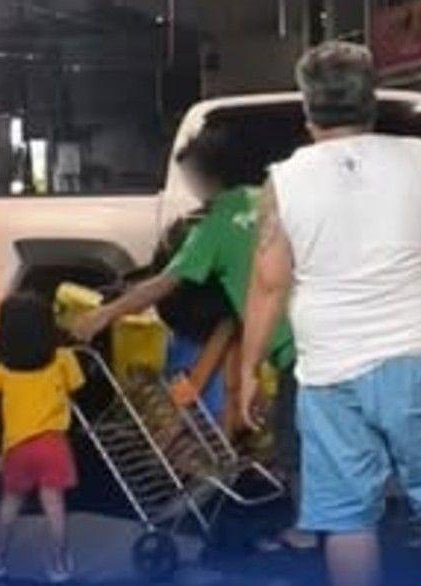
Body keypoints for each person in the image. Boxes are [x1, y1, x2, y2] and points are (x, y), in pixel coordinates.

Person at [238, 41, 421, 586]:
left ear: (308, 107)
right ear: (371, 102)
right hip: (418, 361)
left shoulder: (284, 181)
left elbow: (269, 285)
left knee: (345, 518)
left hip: (330, 375)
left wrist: (248, 369)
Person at [70, 128, 316, 551]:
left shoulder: (218, 223)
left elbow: (163, 284)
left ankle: (311, 531)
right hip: (326, 330)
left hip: (297, 346)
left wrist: (104, 314)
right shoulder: (274, 200)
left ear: (209, 177)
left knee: (294, 439)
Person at [0, 293, 85, 583]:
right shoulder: (62, 357)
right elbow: (78, 385)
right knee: (55, 505)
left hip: (18, 447)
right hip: (54, 444)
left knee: (10, 502)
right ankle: (60, 563)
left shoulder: (0, 364)